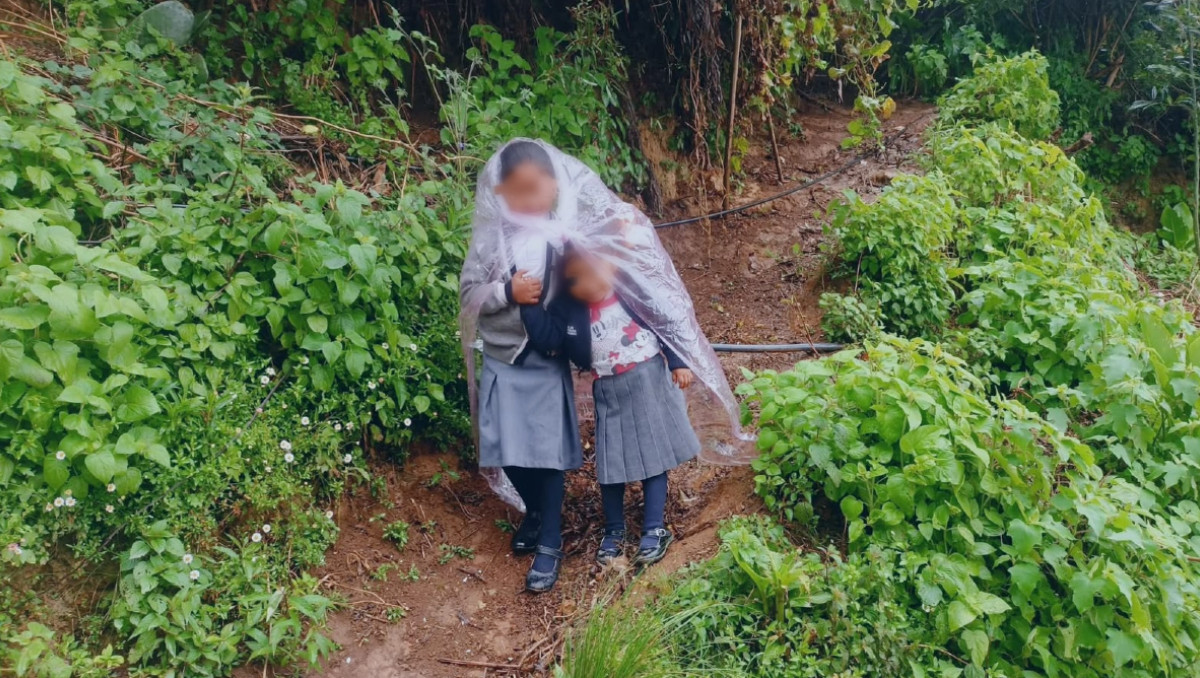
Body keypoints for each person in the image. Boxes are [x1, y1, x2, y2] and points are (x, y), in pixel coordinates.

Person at [520, 245, 701, 566]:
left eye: (596, 271)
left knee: (653, 456)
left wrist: (677, 361)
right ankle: (614, 530)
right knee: (611, 462)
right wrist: (529, 306)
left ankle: (654, 528)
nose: (589, 284)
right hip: (609, 389)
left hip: (648, 381)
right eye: (577, 278)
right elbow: (549, 339)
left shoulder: (631, 293)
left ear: (612, 266)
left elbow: (664, 322)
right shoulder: (569, 309)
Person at [458, 140, 582, 593]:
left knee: (545, 452)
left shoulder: (563, 237)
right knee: (509, 450)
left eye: (537, 189)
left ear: (553, 187)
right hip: (504, 358)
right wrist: (506, 294)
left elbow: (584, 290)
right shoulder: (491, 241)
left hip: (545, 359)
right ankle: (536, 511)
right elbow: (469, 294)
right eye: (518, 192)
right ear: (499, 193)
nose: (529, 200)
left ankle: (550, 540)